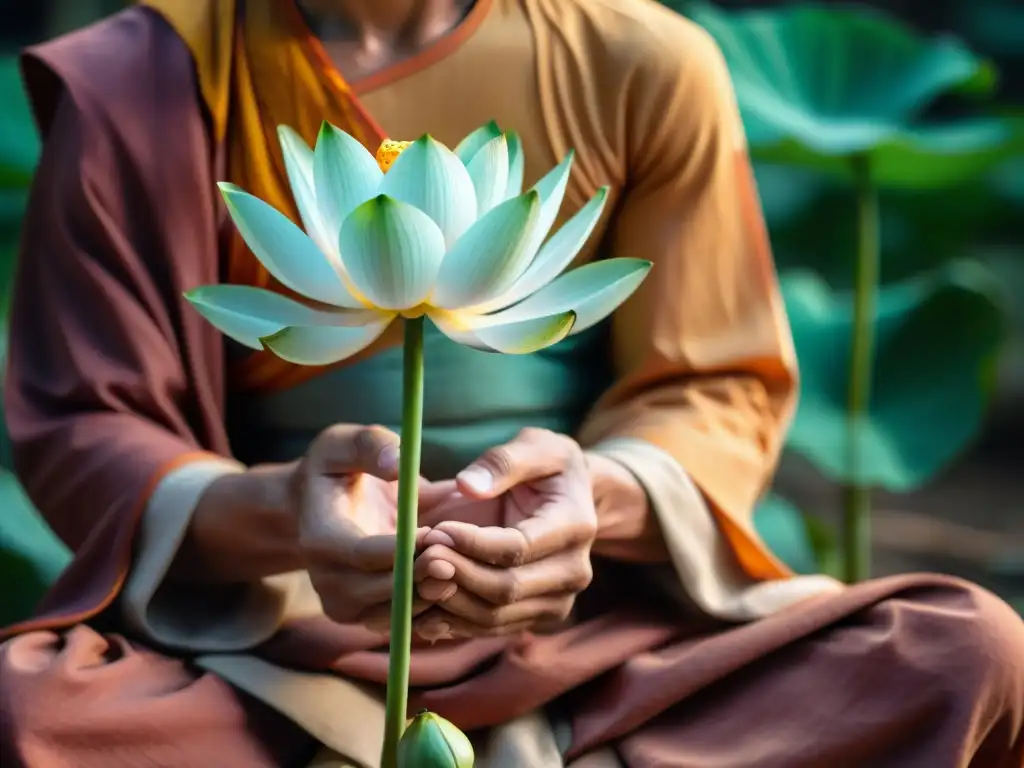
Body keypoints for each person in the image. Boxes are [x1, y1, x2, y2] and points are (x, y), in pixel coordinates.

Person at [1, 0, 1021, 766]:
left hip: (601, 636)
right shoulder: (142, 76)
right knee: (23, 710)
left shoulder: (639, 60)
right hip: (269, 642)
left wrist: (591, 499)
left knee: (964, 652)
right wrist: (281, 515)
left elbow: (715, 385)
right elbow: (90, 418)